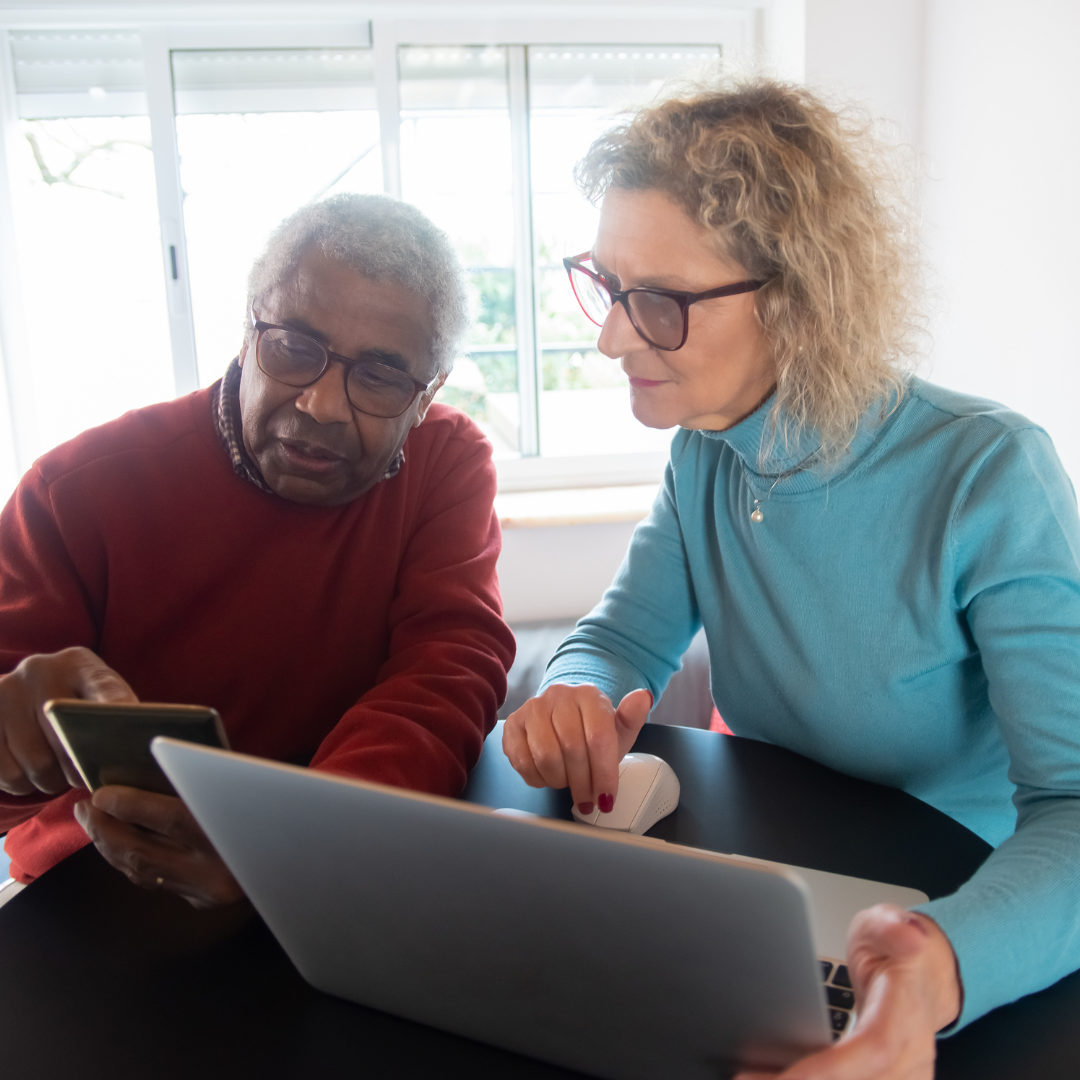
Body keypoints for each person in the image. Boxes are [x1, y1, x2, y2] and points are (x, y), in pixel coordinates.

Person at [502, 79, 1080, 1079]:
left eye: (659, 302)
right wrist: (574, 696)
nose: (609, 337)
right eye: (607, 284)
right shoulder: (707, 449)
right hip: (774, 892)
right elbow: (618, 639)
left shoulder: (988, 472)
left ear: (799, 298)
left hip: (970, 907)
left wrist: (934, 966)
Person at [0, 193, 515, 908]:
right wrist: (12, 747)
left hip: (331, 860)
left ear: (426, 397)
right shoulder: (72, 493)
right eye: (294, 349)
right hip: (99, 889)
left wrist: (292, 845)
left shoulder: (445, 461)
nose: (322, 406)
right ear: (247, 336)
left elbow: (447, 670)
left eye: (380, 377)